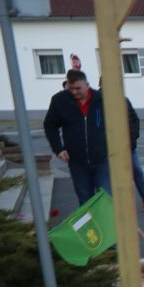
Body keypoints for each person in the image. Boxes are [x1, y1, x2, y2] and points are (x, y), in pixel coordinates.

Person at [43, 70, 112, 205]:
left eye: (78, 88)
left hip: (102, 159)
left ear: (87, 85)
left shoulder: (101, 100)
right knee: (85, 198)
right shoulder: (60, 100)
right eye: (71, 88)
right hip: (77, 161)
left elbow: (116, 123)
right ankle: (89, 226)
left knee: (105, 196)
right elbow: (50, 125)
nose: (74, 92)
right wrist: (58, 149)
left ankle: (106, 225)